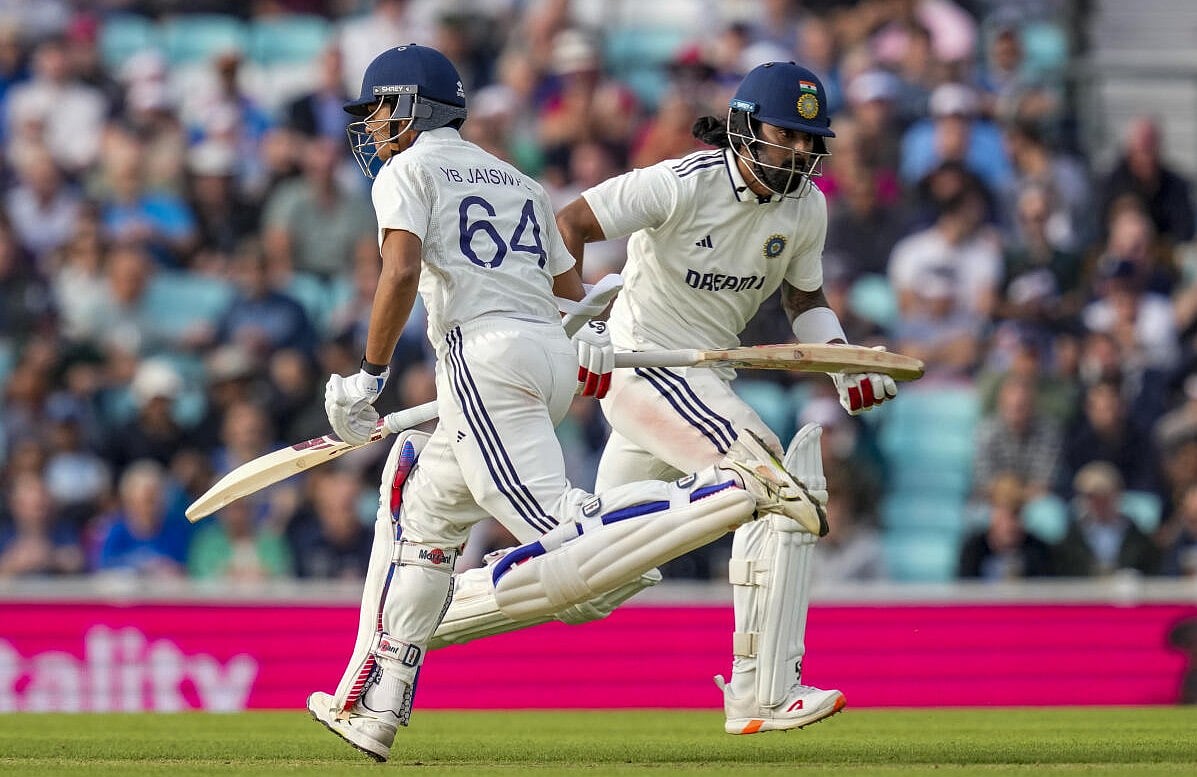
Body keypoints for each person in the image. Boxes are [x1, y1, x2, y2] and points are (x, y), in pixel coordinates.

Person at [305, 44, 825, 762]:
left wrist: (366, 378)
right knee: (426, 516)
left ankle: (720, 491)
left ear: (412, 107)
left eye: (380, 110)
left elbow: (398, 269)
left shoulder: (407, 168)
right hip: (544, 356)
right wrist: (590, 331)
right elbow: (561, 287)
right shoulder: (516, 177)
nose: (373, 128)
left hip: (481, 358)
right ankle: (375, 701)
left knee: (565, 537)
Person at [554, 62, 898, 735]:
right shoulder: (680, 183)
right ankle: (761, 690)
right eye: (784, 133)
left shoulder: (806, 206)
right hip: (641, 366)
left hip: (699, 382)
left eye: (808, 139)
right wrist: (582, 323)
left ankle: (437, 612)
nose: (797, 151)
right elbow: (568, 222)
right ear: (743, 129)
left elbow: (804, 299)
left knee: (589, 581)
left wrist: (843, 362)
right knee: (767, 477)